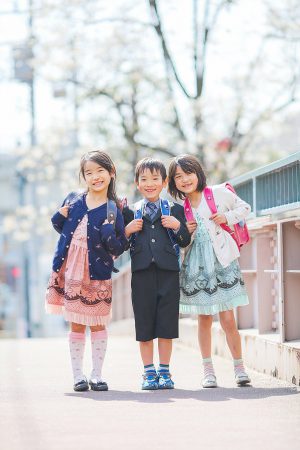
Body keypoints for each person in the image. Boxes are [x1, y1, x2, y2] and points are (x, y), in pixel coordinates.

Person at [45, 150, 128, 392]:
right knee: (76, 324)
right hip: (71, 270)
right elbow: (61, 227)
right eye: (89, 173)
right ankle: (78, 375)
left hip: (98, 272)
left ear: (111, 173)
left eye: (100, 171)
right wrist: (55, 217)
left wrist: (109, 235)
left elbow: (120, 246)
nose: (95, 177)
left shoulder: (114, 208)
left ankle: (97, 374)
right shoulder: (73, 199)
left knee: (98, 324)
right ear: (83, 177)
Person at [168, 154, 251, 388]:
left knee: (227, 318)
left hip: (222, 262)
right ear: (173, 183)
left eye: (188, 173)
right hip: (197, 265)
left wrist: (226, 216)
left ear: (198, 173)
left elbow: (245, 207)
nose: (184, 180)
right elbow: (182, 242)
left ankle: (239, 367)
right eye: (178, 177)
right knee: (203, 318)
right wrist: (188, 231)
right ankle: (208, 371)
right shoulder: (180, 208)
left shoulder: (217, 193)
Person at [123, 157, 191, 390]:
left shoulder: (175, 210)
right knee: (144, 325)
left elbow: (184, 241)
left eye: (155, 179)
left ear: (164, 182)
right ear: (136, 183)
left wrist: (177, 226)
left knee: (166, 324)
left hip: (168, 273)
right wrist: (126, 230)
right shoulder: (130, 211)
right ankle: (148, 373)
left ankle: (165, 371)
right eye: (144, 179)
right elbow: (120, 246)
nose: (149, 183)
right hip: (141, 275)